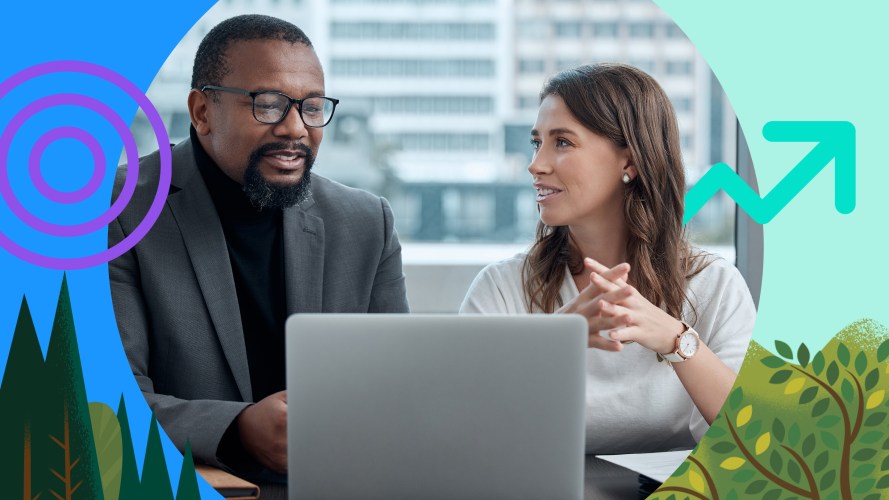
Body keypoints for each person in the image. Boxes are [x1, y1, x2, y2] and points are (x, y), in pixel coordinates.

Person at [109, 14, 409, 477]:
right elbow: (100, 395)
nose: (295, 129)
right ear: (202, 111)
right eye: (268, 105)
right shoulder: (120, 210)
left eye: (311, 107)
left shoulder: (367, 223)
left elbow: (400, 389)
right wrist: (237, 427)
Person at [460, 63, 755, 454]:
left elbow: (755, 437)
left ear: (629, 162)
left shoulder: (714, 284)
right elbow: (461, 432)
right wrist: (556, 341)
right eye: (537, 143)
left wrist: (676, 339)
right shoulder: (502, 288)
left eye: (562, 142)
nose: (536, 164)